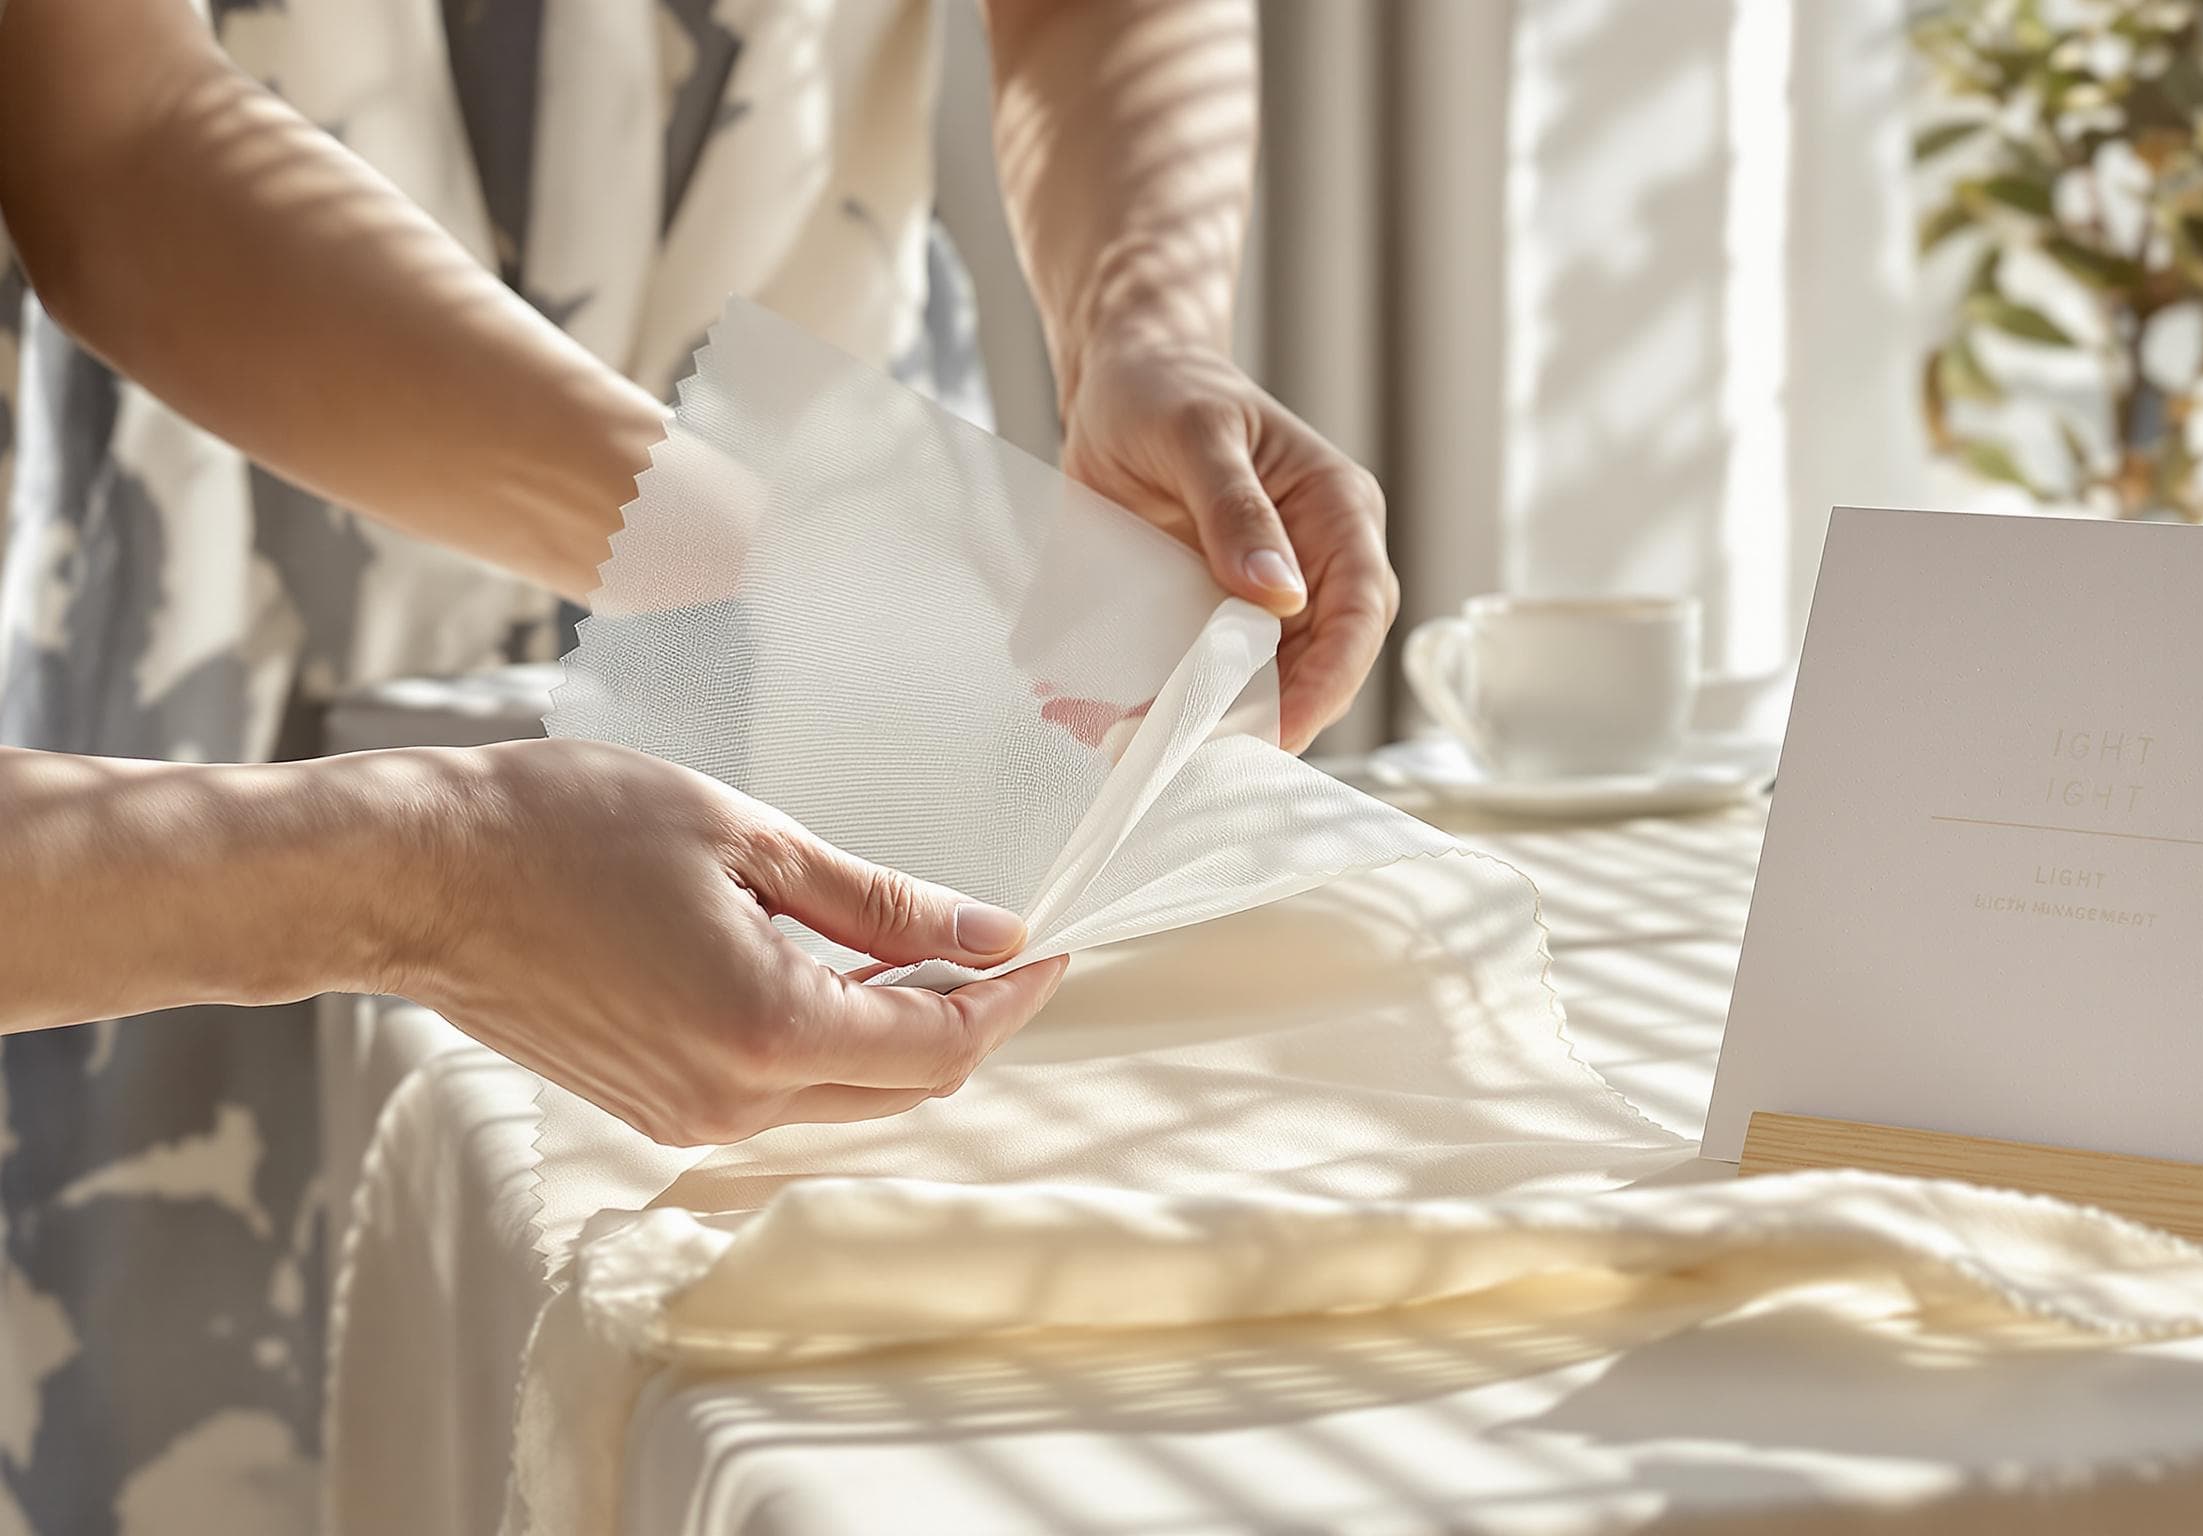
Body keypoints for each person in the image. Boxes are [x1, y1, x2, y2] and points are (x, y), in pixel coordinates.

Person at [0, 0, 1393, 1528]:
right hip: (222, 582)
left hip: (847, 515)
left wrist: (1141, 319)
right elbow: (103, 118)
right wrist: (751, 557)